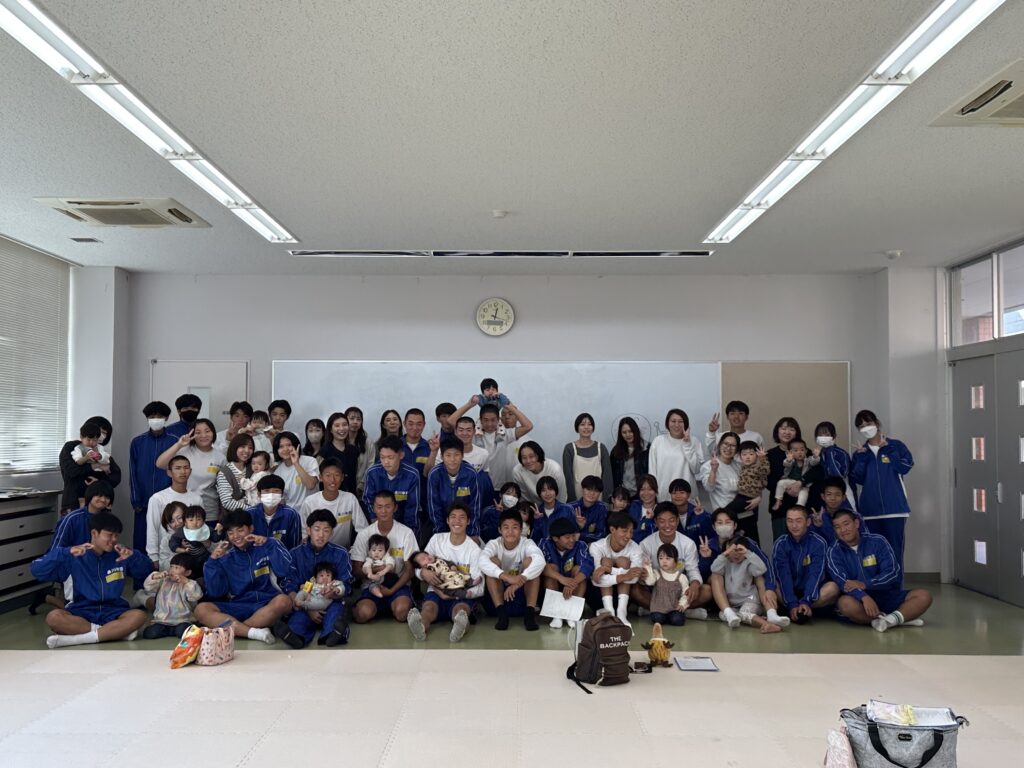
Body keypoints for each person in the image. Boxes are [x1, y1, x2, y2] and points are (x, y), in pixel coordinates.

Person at [30, 511, 151, 648]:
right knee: (53, 617)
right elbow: (37, 570)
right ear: (94, 533)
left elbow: (147, 572)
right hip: (81, 612)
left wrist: (134, 557)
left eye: (116, 535)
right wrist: (65, 552)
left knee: (139, 616)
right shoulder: (75, 556)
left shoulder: (121, 555)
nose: (113, 540)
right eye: (109, 535)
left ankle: (82, 638)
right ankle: (112, 633)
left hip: (114, 611)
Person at [194, 510, 293, 643]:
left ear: (251, 528)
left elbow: (284, 570)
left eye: (240, 530)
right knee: (201, 609)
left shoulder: (266, 546)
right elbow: (216, 592)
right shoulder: (225, 557)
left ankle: (240, 630)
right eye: (230, 533)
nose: (236, 536)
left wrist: (269, 543)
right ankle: (253, 631)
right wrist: (213, 562)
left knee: (284, 601)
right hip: (237, 605)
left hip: (266, 603)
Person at [827, 509, 931, 632]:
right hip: (858, 600)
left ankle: (886, 620)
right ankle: (895, 619)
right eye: (837, 527)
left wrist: (865, 584)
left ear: (856, 523)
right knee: (845, 604)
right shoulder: (834, 551)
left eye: (846, 524)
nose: (843, 530)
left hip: (886, 594)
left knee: (924, 596)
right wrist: (863, 596)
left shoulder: (877, 541)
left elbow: (892, 572)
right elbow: (842, 582)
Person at [274, 509, 353, 648]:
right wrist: (306, 608)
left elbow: (346, 583)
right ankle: (295, 637)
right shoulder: (295, 554)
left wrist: (334, 593)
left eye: (326, 530)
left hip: (331, 601)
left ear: (332, 533)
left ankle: (333, 635)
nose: (321, 535)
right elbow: (289, 584)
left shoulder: (341, 553)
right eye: (317, 529)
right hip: (306, 602)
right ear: (308, 530)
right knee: (298, 618)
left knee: (336, 612)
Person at [407, 503, 484, 642]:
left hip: (461, 593)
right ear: (447, 520)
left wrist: (461, 593)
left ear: (468, 521)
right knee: (428, 609)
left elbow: (480, 587)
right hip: (436, 591)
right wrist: (423, 573)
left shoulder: (475, 550)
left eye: (462, 517)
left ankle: (459, 630)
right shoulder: (437, 539)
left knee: (460, 611)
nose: (457, 521)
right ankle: (420, 628)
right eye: (453, 517)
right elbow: (418, 565)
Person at [849, 409, 914, 567]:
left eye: (869, 423)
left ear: (877, 423)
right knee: (873, 556)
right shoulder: (860, 453)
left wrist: (888, 450)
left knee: (895, 553)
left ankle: (896, 583)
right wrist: (862, 458)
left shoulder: (896, 446)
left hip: (895, 510)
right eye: (861, 426)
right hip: (870, 512)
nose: (866, 428)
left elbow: (905, 467)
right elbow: (857, 479)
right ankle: (877, 584)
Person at [701, 508, 785, 625]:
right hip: (724, 592)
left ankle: (771, 613)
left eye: (728, 522)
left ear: (735, 525)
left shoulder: (747, 543)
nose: (724, 526)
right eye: (720, 523)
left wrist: (770, 588)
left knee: (759, 577)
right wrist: (706, 558)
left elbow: (764, 565)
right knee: (715, 574)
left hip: (748, 594)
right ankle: (729, 612)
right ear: (714, 527)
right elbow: (706, 573)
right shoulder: (708, 545)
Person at [350, 491, 419, 623]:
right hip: (371, 586)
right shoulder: (364, 534)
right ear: (373, 508)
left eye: (388, 506)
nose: (383, 511)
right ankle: (356, 608)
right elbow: (356, 569)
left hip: (398, 585)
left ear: (395, 508)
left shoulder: (406, 533)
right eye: (379, 507)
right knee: (363, 614)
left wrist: (391, 590)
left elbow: (410, 570)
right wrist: (375, 571)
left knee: (402, 612)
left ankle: (398, 604)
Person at [635, 502, 709, 620]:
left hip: (678, 590)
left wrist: (695, 584)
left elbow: (693, 570)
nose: (667, 525)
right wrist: (643, 575)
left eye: (671, 520)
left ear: (677, 521)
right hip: (655, 591)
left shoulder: (688, 544)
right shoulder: (646, 544)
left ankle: (655, 611)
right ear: (655, 522)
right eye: (662, 521)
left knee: (707, 591)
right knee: (635, 590)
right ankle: (683, 612)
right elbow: (643, 573)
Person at [772, 506, 839, 624]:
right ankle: (794, 609)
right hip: (788, 592)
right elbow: (784, 576)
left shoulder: (819, 543)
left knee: (833, 588)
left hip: (813, 593)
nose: (794, 526)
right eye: (790, 521)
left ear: (808, 522)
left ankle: (804, 609)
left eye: (798, 521)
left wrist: (806, 600)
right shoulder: (781, 544)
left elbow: (815, 575)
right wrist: (791, 603)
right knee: (771, 582)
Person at [480, 509, 544, 630]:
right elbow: (482, 561)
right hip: (497, 599)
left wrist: (519, 581)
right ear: (500, 530)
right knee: (492, 562)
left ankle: (529, 615)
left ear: (521, 530)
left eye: (515, 527)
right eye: (506, 527)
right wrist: (506, 577)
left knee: (530, 562)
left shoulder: (527, 543)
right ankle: (502, 616)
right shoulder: (494, 544)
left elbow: (540, 561)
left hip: (521, 596)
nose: (510, 532)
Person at [155, 418, 227, 522]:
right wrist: (179, 444)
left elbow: (224, 487)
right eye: (198, 432)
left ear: (213, 433)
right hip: (183, 510)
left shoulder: (220, 458)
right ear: (192, 435)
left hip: (209, 511)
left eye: (207, 431)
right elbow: (160, 464)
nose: (203, 435)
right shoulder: (184, 451)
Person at [129, 401, 177, 552]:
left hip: (168, 501)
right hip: (143, 501)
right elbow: (132, 472)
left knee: (167, 539)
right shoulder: (137, 442)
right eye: (152, 416)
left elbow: (177, 470)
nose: (156, 419)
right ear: (147, 418)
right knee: (142, 540)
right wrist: (135, 499)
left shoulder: (174, 441)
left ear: (166, 418)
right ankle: (141, 567)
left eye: (159, 416)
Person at [710, 536, 784, 633]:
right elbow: (714, 568)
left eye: (740, 551)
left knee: (744, 613)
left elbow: (762, 569)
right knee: (723, 614)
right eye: (732, 551)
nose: (736, 554)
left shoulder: (748, 563)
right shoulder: (725, 562)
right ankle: (755, 618)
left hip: (750, 600)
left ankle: (768, 624)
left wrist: (748, 553)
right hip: (734, 604)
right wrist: (725, 554)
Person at [765, 417, 820, 541]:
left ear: (797, 433)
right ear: (777, 431)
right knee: (782, 544)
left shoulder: (806, 452)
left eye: (791, 429)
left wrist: (801, 482)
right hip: (780, 510)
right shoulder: (770, 455)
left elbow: (818, 472)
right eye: (783, 428)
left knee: (806, 545)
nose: (787, 432)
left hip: (804, 508)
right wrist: (788, 488)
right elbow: (768, 481)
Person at [589, 511, 644, 626]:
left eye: (631, 532)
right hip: (599, 596)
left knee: (623, 561)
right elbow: (596, 579)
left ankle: (621, 613)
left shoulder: (636, 548)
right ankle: (609, 612)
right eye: (624, 531)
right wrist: (624, 575)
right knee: (606, 561)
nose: (628, 536)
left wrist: (609, 570)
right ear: (612, 529)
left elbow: (634, 577)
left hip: (624, 598)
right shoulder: (596, 546)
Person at [146, 456, 201, 569]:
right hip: (166, 555)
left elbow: (200, 526)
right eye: (178, 468)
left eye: (186, 468)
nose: (183, 471)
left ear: (190, 471)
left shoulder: (196, 498)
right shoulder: (158, 498)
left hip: (191, 554)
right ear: (169, 472)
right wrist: (153, 556)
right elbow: (152, 528)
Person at [539, 516, 594, 629]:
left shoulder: (580, 545)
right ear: (555, 538)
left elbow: (587, 565)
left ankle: (572, 614)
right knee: (551, 567)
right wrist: (562, 579)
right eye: (567, 537)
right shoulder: (545, 544)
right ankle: (556, 614)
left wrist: (572, 583)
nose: (572, 540)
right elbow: (540, 566)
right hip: (552, 585)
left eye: (573, 536)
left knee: (578, 569)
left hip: (572, 587)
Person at [301, 458, 366, 547]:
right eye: (328, 475)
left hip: (343, 551)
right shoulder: (309, 502)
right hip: (317, 551)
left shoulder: (350, 499)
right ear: (320, 477)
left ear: (342, 477)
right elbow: (304, 533)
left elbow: (363, 530)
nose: (332, 479)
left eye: (336, 475)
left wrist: (355, 550)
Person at [426, 438, 482, 537]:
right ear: (442, 457)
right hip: (441, 525)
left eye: (456, 455)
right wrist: (440, 534)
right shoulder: (434, 474)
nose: (452, 459)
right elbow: (434, 507)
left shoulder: (471, 474)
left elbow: (475, 506)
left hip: (465, 526)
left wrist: (472, 533)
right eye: (448, 455)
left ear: (462, 456)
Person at [364, 436, 421, 530]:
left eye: (390, 457)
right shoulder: (372, 473)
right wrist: (378, 526)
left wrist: (407, 532)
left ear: (401, 455)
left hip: (404, 523)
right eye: (382, 457)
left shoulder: (412, 474)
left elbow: (412, 507)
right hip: (378, 522)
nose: (386, 462)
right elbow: (369, 501)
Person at [140, 553, 203, 639]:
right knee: (149, 633)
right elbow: (148, 586)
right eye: (171, 567)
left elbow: (196, 596)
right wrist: (155, 576)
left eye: (176, 568)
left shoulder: (190, 584)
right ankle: (169, 630)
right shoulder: (163, 581)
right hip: (162, 621)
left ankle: (177, 630)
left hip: (183, 621)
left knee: (182, 631)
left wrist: (186, 582)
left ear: (187, 572)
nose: (172, 570)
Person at [648, 409, 704, 501]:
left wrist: (687, 445)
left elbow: (696, 469)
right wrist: (653, 493)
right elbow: (652, 472)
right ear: (667, 423)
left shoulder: (694, 441)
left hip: (687, 495)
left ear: (686, 424)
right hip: (664, 494)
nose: (677, 425)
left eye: (680, 421)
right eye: (673, 421)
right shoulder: (658, 441)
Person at [719, 441, 769, 544]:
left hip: (748, 497)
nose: (747, 457)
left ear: (756, 455)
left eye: (751, 454)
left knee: (726, 512)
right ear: (740, 456)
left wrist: (762, 458)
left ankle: (738, 532)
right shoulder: (743, 466)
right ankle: (739, 531)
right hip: (741, 495)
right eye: (744, 454)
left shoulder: (757, 466)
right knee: (735, 516)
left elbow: (765, 471)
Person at [61, 420, 113, 510]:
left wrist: (100, 457)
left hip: (95, 498)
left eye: (95, 440)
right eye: (89, 439)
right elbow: (73, 469)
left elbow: (112, 470)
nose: (92, 442)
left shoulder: (99, 448)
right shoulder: (75, 447)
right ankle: (82, 502)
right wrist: (91, 461)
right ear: (82, 437)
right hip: (73, 499)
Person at [562, 412, 613, 502]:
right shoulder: (569, 448)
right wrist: (572, 501)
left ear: (593, 428)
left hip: (598, 497)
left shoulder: (601, 448)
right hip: (577, 497)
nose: (586, 427)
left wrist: (606, 500)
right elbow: (568, 477)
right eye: (582, 424)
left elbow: (607, 476)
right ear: (577, 428)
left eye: (589, 424)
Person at [807, 421, 854, 509]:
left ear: (834, 436)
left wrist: (830, 451)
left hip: (840, 492)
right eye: (820, 435)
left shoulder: (842, 453)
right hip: (822, 494)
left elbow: (840, 475)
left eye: (827, 434)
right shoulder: (817, 454)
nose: (823, 437)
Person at [247, 474, 302, 549]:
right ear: (259, 494)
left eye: (276, 491)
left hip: (283, 556)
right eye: (267, 491)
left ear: (282, 494)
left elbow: (295, 546)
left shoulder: (291, 515)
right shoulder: (249, 514)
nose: (271, 495)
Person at [487, 402, 534, 487]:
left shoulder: (527, 441)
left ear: (517, 417)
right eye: (503, 414)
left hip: (519, 485)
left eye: (510, 414)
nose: (507, 417)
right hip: (497, 485)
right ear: (500, 418)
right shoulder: (494, 437)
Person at [642, 544, 689, 625]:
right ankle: (665, 618)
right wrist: (648, 567)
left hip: (674, 608)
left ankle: (673, 617)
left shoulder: (681, 577)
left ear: (676, 560)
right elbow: (650, 582)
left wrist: (682, 605)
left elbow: (685, 593)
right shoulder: (657, 573)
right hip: (659, 609)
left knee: (677, 620)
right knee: (657, 618)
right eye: (661, 558)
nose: (664, 561)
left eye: (668, 558)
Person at [812, 476, 866, 547]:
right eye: (829, 494)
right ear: (823, 496)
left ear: (844, 497)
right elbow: (812, 544)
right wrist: (818, 526)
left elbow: (865, 540)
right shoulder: (815, 518)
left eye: (837, 495)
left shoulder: (854, 516)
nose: (833, 498)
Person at [272, 431, 320, 509]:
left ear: (296, 446)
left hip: (312, 510)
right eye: (281, 446)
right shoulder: (277, 473)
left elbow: (311, 485)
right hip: (291, 512)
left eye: (289, 445)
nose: (285, 449)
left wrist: (296, 463)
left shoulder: (310, 461)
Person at [318, 412, 361, 494]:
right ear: (330, 429)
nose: (341, 428)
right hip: (330, 497)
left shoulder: (354, 451)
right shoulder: (324, 452)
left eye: (344, 425)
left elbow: (358, 476)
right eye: (337, 426)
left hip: (351, 496)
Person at [698, 432, 742, 512]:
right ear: (719, 445)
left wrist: (758, 497)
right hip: (722, 514)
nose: (728, 448)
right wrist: (713, 471)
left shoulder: (739, 466)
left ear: (737, 449)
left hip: (740, 513)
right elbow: (709, 488)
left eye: (733, 446)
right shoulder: (708, 466)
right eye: (726, 444)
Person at [772, 438, 818, 511]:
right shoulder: (791, 461)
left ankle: (799, 507)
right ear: (790, 452)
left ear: (806, 451)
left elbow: (814, 462)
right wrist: (789, 460)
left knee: (803, 495)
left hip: (804, 485)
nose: (799, 452)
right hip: (791, 481)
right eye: (796, 450)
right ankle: (778, 501)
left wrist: (815, 456)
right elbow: (786, 464)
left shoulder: (808, 460)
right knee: (780, 483)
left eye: (802, 450)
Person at [609, 416, 648, 498]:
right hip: (622, 495)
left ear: (636, 431)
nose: (628, 435)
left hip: (642, 494)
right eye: (624, 432)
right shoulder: (616, 451)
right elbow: (612, 475)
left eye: (630, 431)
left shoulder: (647, 449)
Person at [216, 434, 255, 514]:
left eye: (250, 448)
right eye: (243, 446)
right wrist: (253, 510)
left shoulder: (253, 469)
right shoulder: (224, 473)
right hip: (234, 518)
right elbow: (227, 502)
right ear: (234, 448)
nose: (247, 450)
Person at [528, 475, 575, 543]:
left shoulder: (567, 509)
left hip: (564, 547)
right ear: (539, 494)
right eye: (543, 490)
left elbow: (575, 534)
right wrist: (537, 521)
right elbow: (534, 540)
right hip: (544, 548)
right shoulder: (537, 513)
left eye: (550, 489)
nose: (547, 493)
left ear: (555, 491)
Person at [168, 505, 214, 571]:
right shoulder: (182, 532)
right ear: (185, 522)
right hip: (189, 558)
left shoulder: (206, 529)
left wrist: (219, 532)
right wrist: (181, 550)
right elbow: (173, 541)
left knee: (208, 566)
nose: (195, 522)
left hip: (204, 556)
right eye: (191, 520)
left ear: (203, 521)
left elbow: (215, 537)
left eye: (198, 519)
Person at [671, 479, 712, 546]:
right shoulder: (668, 513)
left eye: (682, 492)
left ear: (688, 495)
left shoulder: (699, 512)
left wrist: (702, 517)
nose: (678, 496)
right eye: (674, 493)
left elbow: (711, 535)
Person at [570, 475, 608, 544]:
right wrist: (578, 526)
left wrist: (581, 535)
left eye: (596, 491)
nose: (592, 493)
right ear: (582, 489)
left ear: (600, 493)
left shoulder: (602, 508)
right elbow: (565, 534)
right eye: (589, 489)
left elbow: (601, 534)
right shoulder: (570, 507)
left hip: (594, 545)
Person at [345, 406, 374, 495]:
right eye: (352, 418)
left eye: (358, 419)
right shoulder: (340, 441)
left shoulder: (368, 442)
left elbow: (371, 464)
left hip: (362, 488)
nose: (355, 422)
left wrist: (362, 484)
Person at [627, 474, 660, 542]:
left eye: (650, 489)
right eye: (642, 489)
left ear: (656, 491)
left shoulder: (661, 510)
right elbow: (630, 533)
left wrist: (648, 520)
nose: (646, 493)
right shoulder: (633, 507)